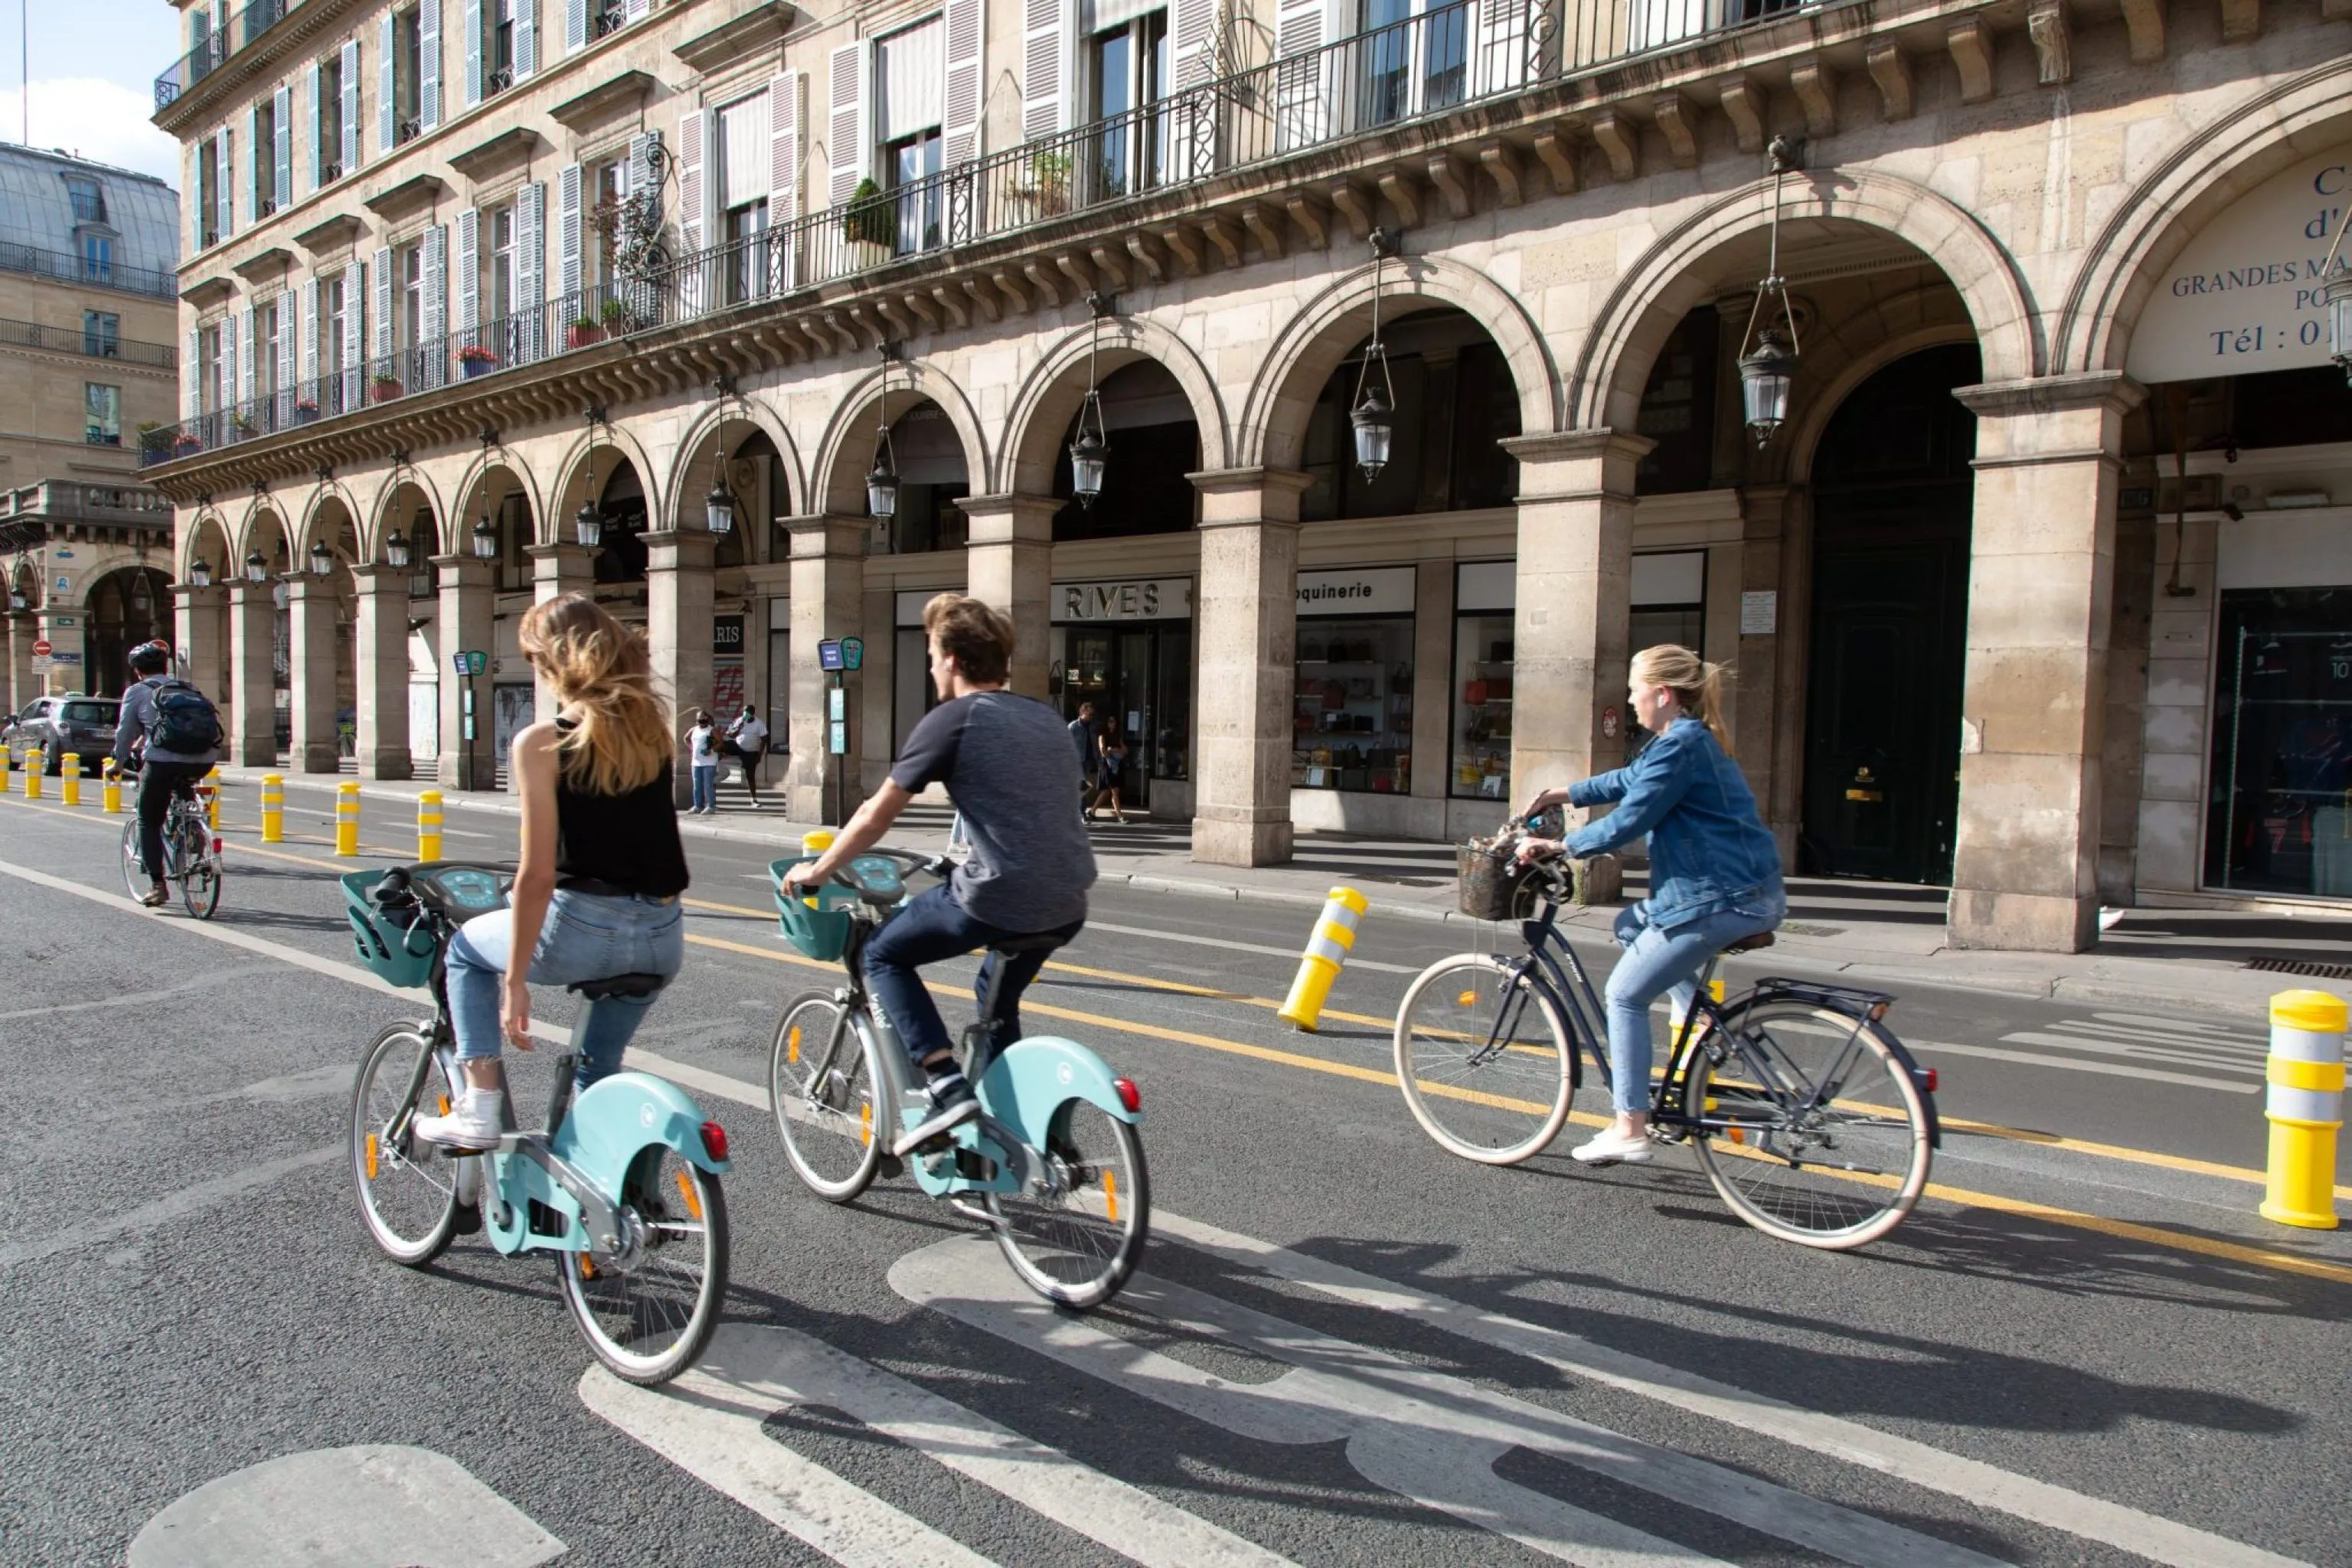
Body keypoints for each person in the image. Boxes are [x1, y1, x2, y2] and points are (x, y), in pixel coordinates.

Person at [785, 593, 1096, 1152]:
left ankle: (946, 1086)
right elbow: (1029, 808)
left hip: (998, 896)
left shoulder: (954, 720)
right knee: (996, 1000)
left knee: (881, 954)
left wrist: (820, 868)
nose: (930, 668)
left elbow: (875, 815)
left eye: (931, 656)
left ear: (952, 659)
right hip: (1069, 900)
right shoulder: (1044, 717)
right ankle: (1011, 1135)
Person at [413, 593, 691, 1150]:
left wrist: (514, 982)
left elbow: (538, 875)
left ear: (552, 662)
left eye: (534, 660)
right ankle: (595, 1178)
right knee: (597, 1066)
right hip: (663, 937)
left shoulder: (542, 742)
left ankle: (479, 1108)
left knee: (464, 951)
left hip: (584, 929)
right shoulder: (651, 732)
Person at [1512, 645, 1785, 1166]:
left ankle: (1629, 1127)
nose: (1631, 700)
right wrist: (1559, 794)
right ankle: (1701, 1021)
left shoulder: (1679, 746)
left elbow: (1630, 820)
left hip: (1718, 900)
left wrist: (1560, 846)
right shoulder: (1682, 741)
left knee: (1624, 996)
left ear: (1662, 695)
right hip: (1741, 892)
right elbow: (1626, 781)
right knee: (1630, 924)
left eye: (1635, 690)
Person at [114, 641, 220, 907]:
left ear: (137, 671)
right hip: (203, 760)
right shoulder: (188, 688)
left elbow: (126, 732)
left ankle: (157, 885)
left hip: (162, 761)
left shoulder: (137, 691)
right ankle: (192, 831)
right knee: (183, 786)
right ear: (166, 666)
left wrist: (117, 762)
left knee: (148, 819)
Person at [727, 704, 769, 808]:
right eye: (745, 711)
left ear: (753, 713)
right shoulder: (739, 721)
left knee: (750, 775)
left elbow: (764, 739)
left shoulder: (759, 723)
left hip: (751, 751)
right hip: (738, 747)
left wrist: (759, 754)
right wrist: (739, 727)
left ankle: (754, 799)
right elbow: (731, 734)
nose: (746, 714)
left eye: (749, 712)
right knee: (724, 745)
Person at [1093, 725, 1131, 825]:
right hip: (1107, 766)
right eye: (1110, 722)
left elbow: (1125, 751)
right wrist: (1115, 750)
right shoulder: (1102, 736)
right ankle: (1120, 816)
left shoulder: (1118, 736)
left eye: (1114, 722)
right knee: (1115, 791)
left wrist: (1114, 750)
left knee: (1107, 791)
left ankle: (1092, 811)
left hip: (1117, 766)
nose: (1112, 724)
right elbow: (1104, 752)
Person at [1067, 702, 1099, 814]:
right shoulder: (1073, 727)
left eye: (1093, 715)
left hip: (1087, 760)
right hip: (1077, 761)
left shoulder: (1091, 727)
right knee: (1080, 786)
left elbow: (1094, 743)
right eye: (1090, 714)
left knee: (1083, 787)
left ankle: (1080, 812)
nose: (1091, 717)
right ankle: (1079, 812)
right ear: (1083, 713)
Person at [686, 709, 718, 815]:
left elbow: (720, 743)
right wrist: (692, 748)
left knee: (708, 784)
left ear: (707, 720)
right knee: (697, 785)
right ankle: (697, 806)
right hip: (696, 762)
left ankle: (711, 806)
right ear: (697, 720)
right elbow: (686, 738)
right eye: (700, 720)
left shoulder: (712, 730)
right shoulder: (694, 730)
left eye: (704, 720)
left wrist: (711, 750)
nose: (702, 722)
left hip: (709, 762)